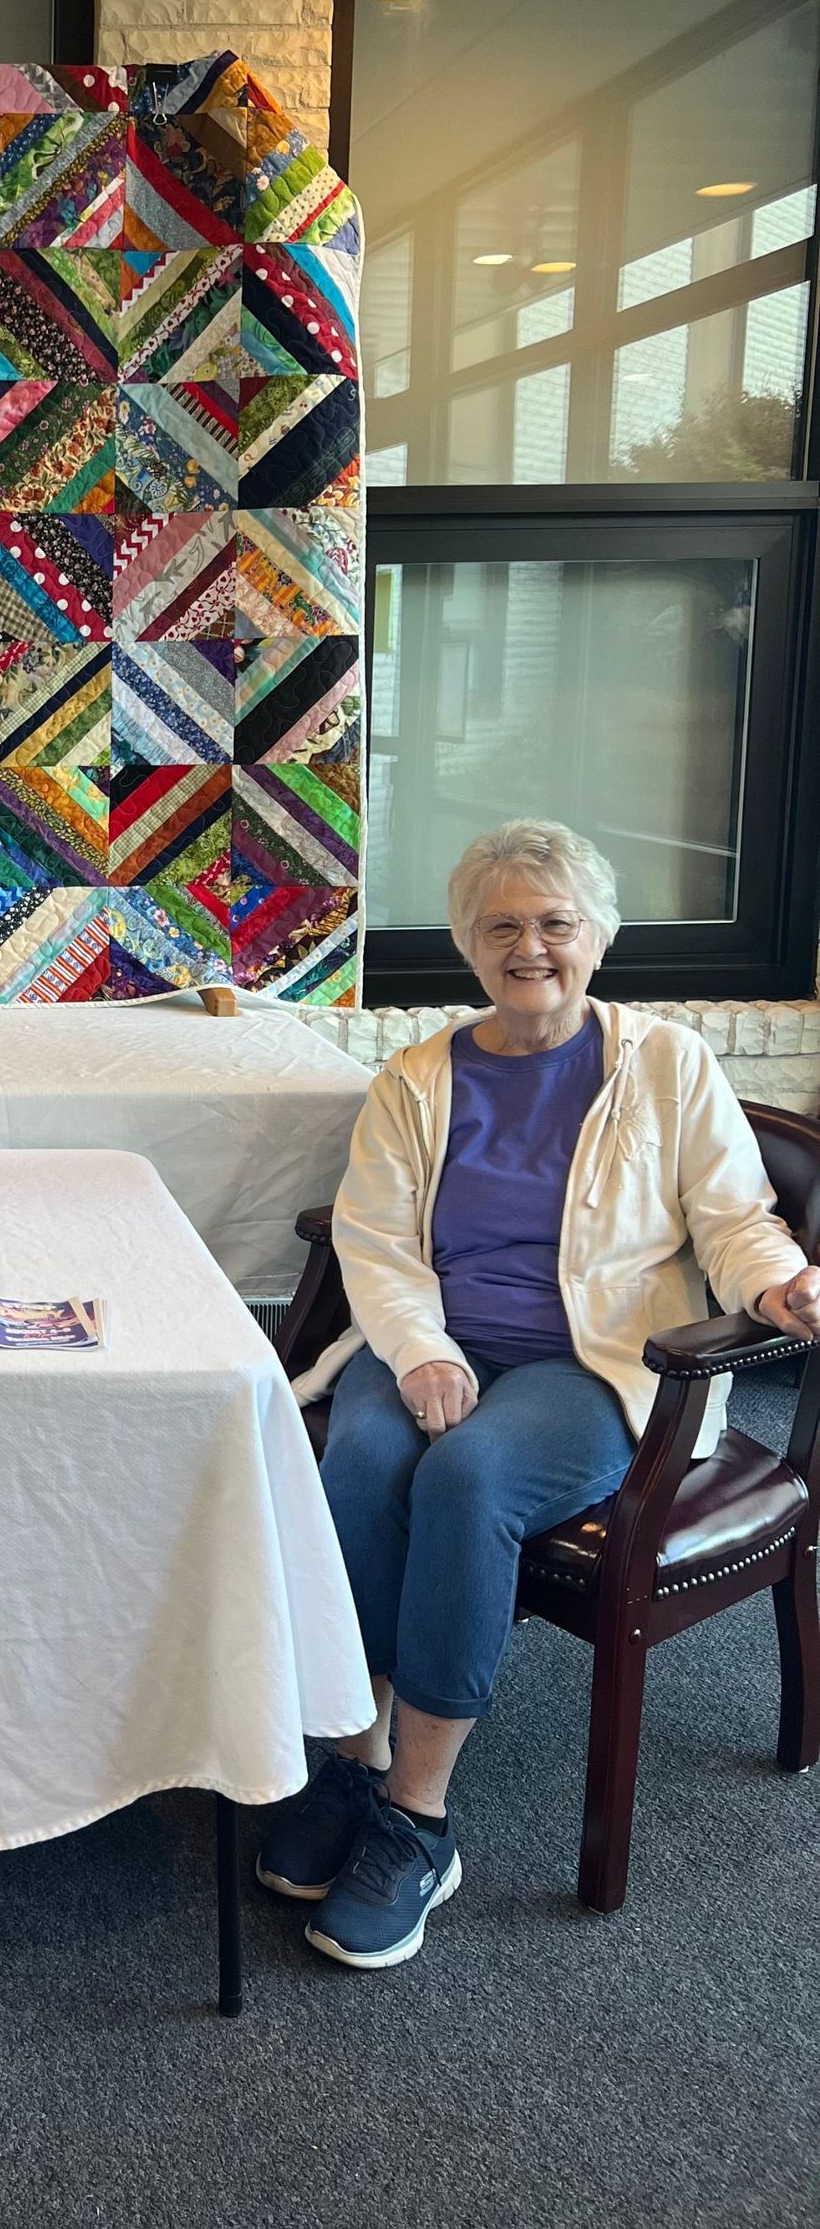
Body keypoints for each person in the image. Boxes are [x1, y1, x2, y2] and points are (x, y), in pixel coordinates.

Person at [259, 818, 820, 1969]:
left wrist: (778, 1289)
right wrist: (418, 1350)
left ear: (596, 937)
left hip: (596, 1364)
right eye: (503, 925)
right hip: (436, 1345)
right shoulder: (418, 1076)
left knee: (469, 1476)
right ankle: (359, 1766)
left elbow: (734, 1220)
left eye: (555, 923)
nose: (531, 947)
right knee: (358, 1460)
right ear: (472, 944)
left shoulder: (667, 1065)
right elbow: (373, 1239)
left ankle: (419, 1820)